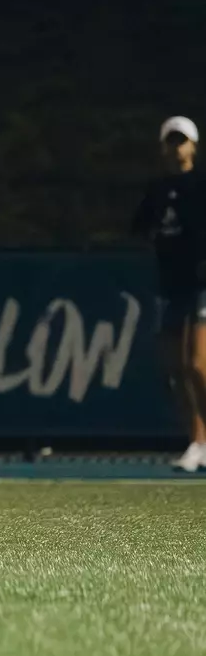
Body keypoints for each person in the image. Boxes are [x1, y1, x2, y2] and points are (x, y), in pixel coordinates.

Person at [132, 115, 206, 472]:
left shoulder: (202, 184)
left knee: (196, 365)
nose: (177, 147)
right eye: (171, 140)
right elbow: (141, 229)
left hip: (201, 285)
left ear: (194, 145)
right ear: (163, 147)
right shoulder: (157, 191)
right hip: (171, 288)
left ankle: (201, 441)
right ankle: (198, 442)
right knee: (173, 371)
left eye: (183, 140)